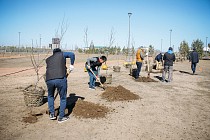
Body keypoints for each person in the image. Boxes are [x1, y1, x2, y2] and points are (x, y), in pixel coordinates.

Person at [45, 48, 75, 123]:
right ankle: (61, 117)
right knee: (63, 98)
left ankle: (52, 114)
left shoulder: (48, 59)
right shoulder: (61, 54)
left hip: (49, 80)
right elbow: (72, 54)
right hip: (60, 78)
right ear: (60, 52)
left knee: (50, 96)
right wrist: (71, 65)